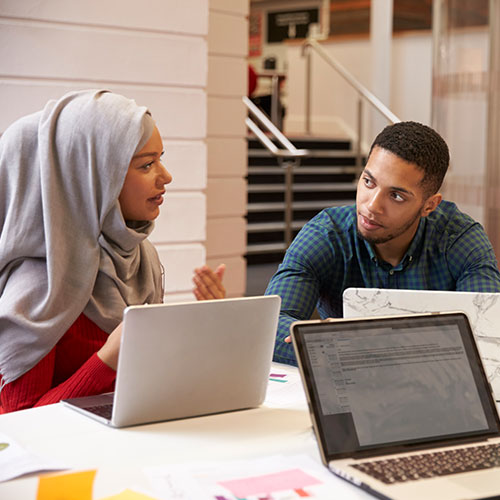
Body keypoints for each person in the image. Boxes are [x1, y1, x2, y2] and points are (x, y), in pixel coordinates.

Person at [0, 89, 225, 413]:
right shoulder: (38, 286)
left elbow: (147, 383)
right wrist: (109, 358)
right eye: (146, 165)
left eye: (161, 159)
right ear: (90, 179)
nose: (166, 176)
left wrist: (208, 327)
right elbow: (21, 422)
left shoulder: (139, 259)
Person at [265, 121, 500, 366]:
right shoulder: (326, 236)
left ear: (429, 205)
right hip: (352, 386)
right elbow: (269, 326)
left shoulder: (461, 239)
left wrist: (346, 344)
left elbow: (489, 337)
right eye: (369, 182)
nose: (371, 206)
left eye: (396, 195)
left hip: (438, 392)